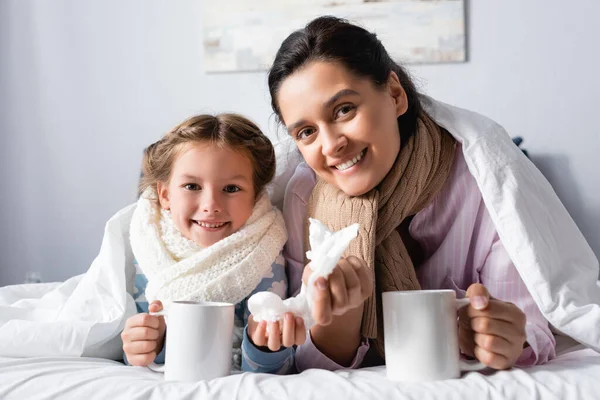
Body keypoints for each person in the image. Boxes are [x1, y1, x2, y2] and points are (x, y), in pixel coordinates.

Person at [259, 15, 595, 372]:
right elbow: (311, 364)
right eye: (307, 132)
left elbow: (529, 326)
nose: (331, 145)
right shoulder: (303, 196)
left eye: (344, 110)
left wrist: (498, 336)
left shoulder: (480, 180)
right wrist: (340, 317)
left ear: (395, 94)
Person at [120, 113, 299, 373]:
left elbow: (274, 368)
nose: (211, 206)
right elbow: (136, 353)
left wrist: (263, 347)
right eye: (192, 186)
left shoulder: (264, 250)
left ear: (256, 196)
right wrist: (149, 345)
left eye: (231, 189)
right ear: (165, 194)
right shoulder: (150, 247)